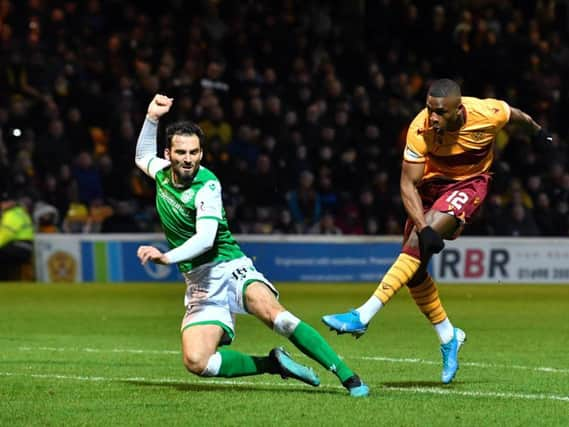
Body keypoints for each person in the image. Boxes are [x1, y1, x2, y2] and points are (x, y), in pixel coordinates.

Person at [134, 94, 369, 397]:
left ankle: (350, 377)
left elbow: (206, 239)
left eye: (194, 152)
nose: (188, 159)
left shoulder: (208, 185)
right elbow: (141, 157)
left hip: (229, 266)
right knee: (197, 362)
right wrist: (152, 117)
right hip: (199, 283)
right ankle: (273, 364)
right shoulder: (162, 174)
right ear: (169, 154)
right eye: (181, 152)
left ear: (201, 153)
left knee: (277, 316)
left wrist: (166, 258)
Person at [322, 79, 552, 384]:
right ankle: (448, 336)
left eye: (440, 112)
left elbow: (517, 116)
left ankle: (362, 316)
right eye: (429, 109)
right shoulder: (420, 129)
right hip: (430, 189)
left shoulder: (487, 112)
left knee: (418, 243)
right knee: (414, 271)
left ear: (459, 109)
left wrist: (538, 133)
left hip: (469, 183)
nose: (432, 117)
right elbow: (407, 184)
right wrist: (421, 226)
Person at [0, 189, 34, 280]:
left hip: (19, 247)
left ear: (10, 203)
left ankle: (4, 281)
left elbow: (4, 236)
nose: (2, 205)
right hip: (27, 247)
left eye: (3, 203)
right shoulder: (21, 212)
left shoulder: (11, 215)